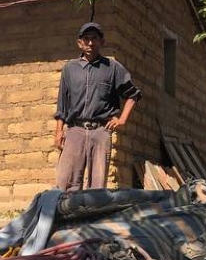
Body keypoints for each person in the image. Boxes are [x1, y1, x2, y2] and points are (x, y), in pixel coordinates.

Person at [54, 22, 141, 191]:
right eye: (86, 39)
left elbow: (133, 94)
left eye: (94, 39)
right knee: (66, 183)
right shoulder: (70, 69)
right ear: (80, 43)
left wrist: (122, 119)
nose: (91, 43)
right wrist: (59, 132)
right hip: (75, 131)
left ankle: (92, 216)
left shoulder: (112, 68)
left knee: (97, 187)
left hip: (100, 132)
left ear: (102, 42)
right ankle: (71, 217)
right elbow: (62, 105)